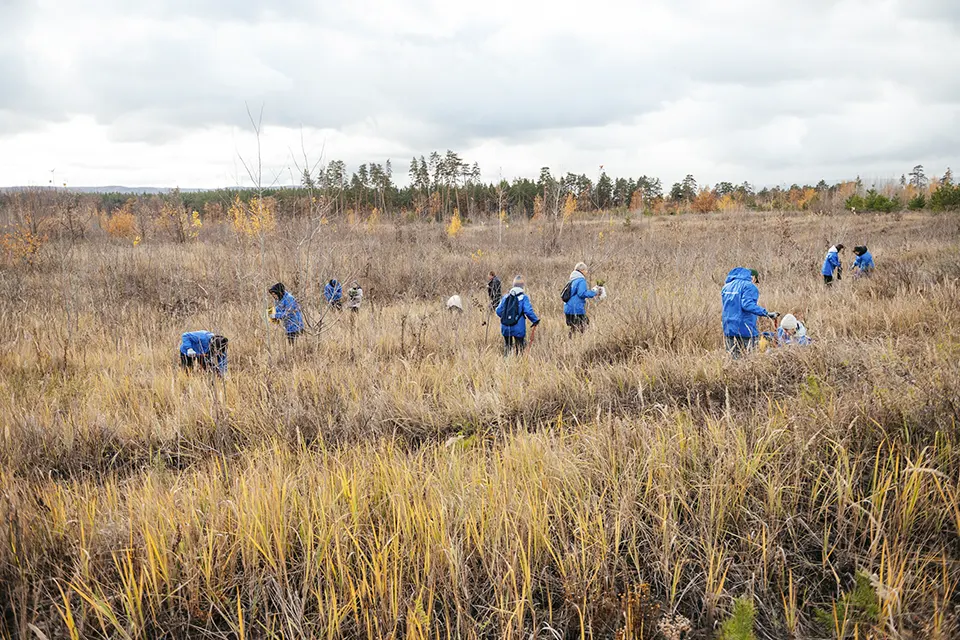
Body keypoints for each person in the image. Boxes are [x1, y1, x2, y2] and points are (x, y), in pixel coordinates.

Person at [721, 267, 779, 358]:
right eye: (755, 280)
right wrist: (766, 313)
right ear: (753, 277)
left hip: (728, 327)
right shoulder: (749, 286)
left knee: (732, 358)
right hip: (745, 328)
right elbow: (747, 305)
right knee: (750, 358)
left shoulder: (726, 287)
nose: (754, 282)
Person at [496, 275, 540, 356]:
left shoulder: (506, 297)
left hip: (505, 327)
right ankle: (518, 362)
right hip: (518, 327)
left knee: (507, 347)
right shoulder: (523, 298)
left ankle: (506, 361)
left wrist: (506, 318)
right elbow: (528, 311)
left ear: (513, 285)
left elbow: (498, 311)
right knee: (519, 348)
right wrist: (535, 320)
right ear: (522, 286)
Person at [563, 262, 598, 335]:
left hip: (568, 308)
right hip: (576, 309)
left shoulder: (572, 279)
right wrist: (594, 293)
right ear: (582, 270)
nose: (587, 272)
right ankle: (577, 340)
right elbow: (581, 293)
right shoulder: (581, 280)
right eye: (586, 270)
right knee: (584, 325)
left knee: (574, 327)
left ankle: (569, 340)